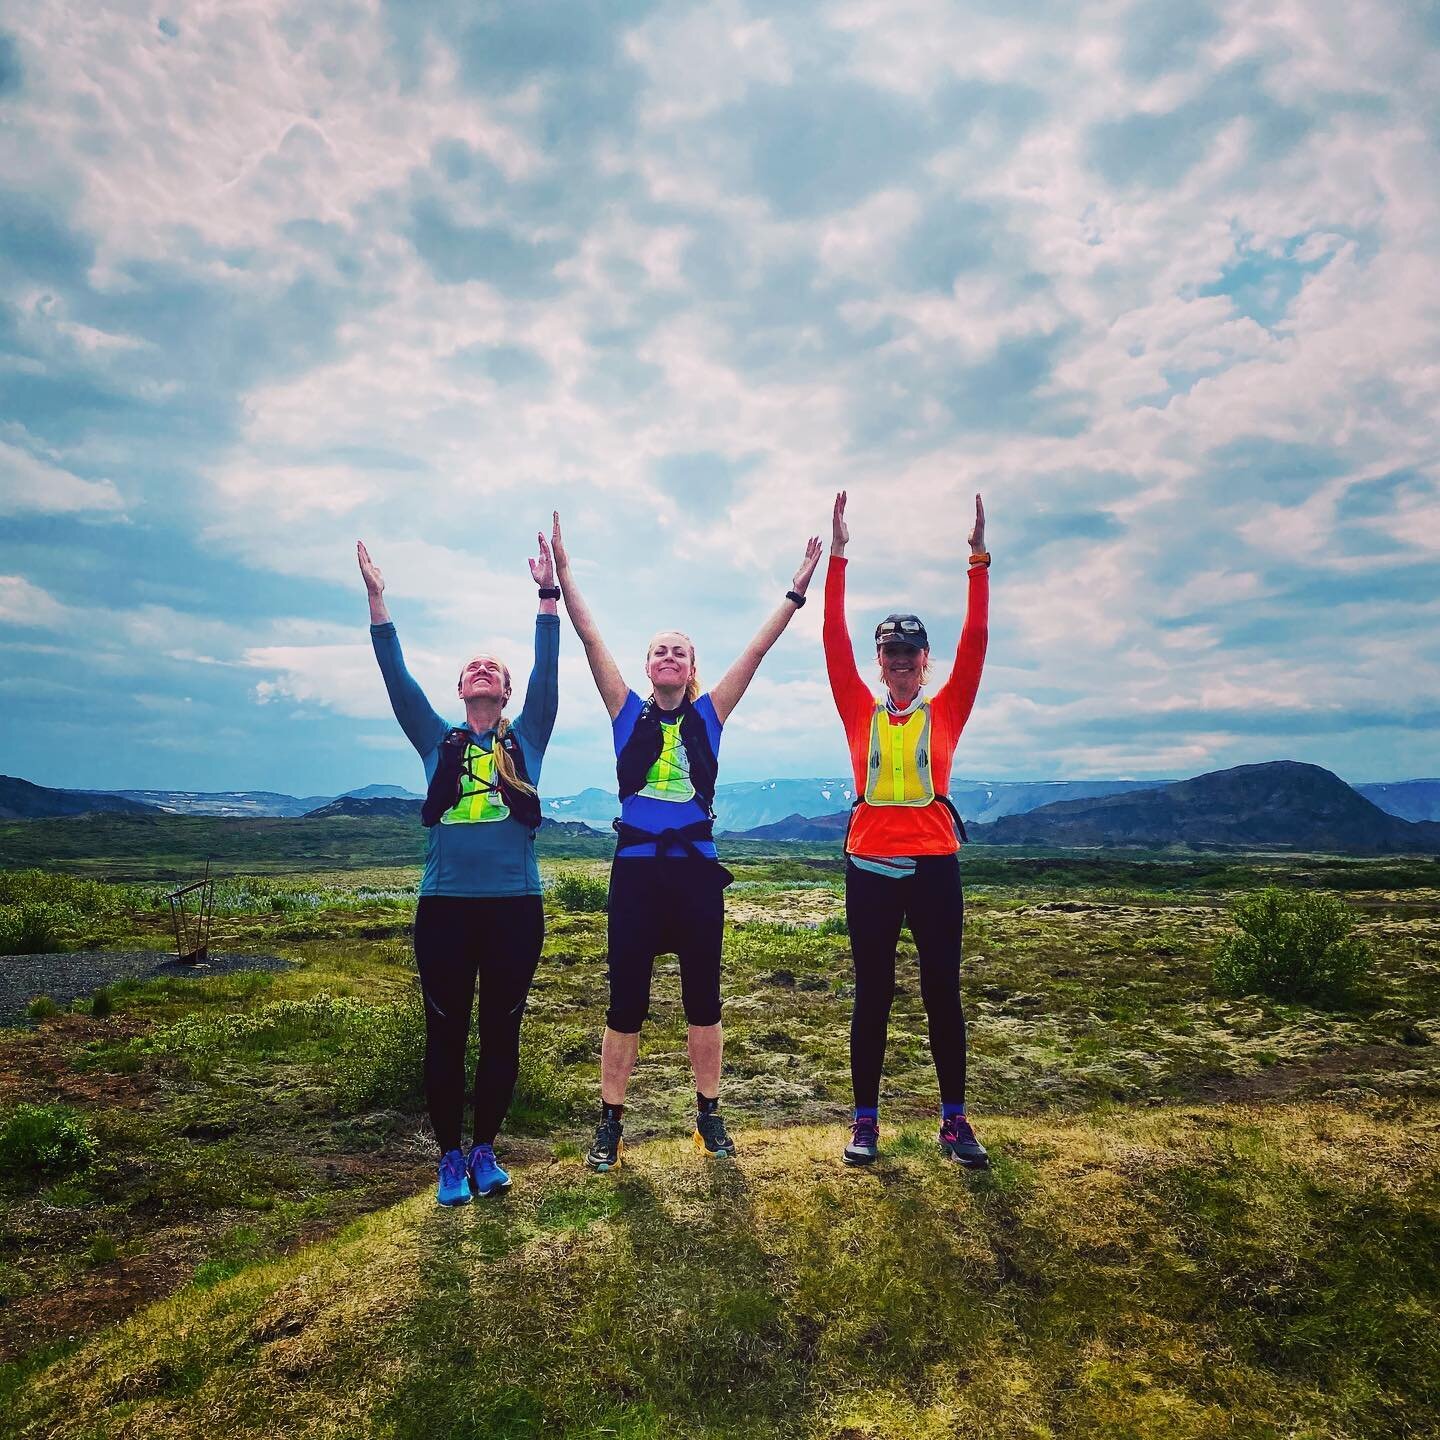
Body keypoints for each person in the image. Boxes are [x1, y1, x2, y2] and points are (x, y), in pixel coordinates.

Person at [550, 511, 821, 1171]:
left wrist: (795, 591)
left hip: (696, 877)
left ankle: (708, 1116)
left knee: (704, 997)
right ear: (647, 667)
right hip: (637, 875)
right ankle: (611, 1122)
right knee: (626, 1003)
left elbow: (755, 652)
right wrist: (563, 576)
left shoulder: (709, 715)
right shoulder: (624, 712)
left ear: (692, 665)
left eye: (680, 650)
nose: (668, 657)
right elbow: (589, 639)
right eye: (658, 651)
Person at [358, 534, 560, 1205]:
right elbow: (396, 680)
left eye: (492, 669)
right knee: (444, 1031)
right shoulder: (435, 740)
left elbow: (549, 671)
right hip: (444, 908)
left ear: (504, 693)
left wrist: (547, 594)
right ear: (461, 690)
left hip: (514, 907)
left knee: (502, 1029)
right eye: (472, 666)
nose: (482, 670)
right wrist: (378, 600)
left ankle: (485, 1151)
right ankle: (448, 1159)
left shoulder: (525, 738)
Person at [823, 490, 991, 1169]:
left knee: (941, 992)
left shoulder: (946, 709)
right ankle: (866, 1123)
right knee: (874, 993)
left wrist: (978, 559)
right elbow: (833, 637)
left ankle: (955, 1121)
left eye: (909, 652)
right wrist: (838, 553)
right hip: (869, 869)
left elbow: (977, 640)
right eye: (888, 652)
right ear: (878, 662)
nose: (898, 661)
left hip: (934, 868)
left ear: (927, 660)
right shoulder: (857, 708)